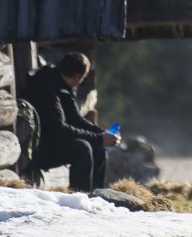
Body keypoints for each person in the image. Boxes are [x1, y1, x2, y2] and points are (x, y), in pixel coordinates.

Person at [20, 52, 121, 191]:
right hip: (37, 150)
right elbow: (59, 128)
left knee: (99, 148)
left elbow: (76, 119)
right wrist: (98, 138)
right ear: (78, 77)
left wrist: (102, 134)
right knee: (82, 148)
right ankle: (80, 198)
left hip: (52, 142)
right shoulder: (46, 86)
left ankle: (96, 196)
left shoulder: (60, 84)